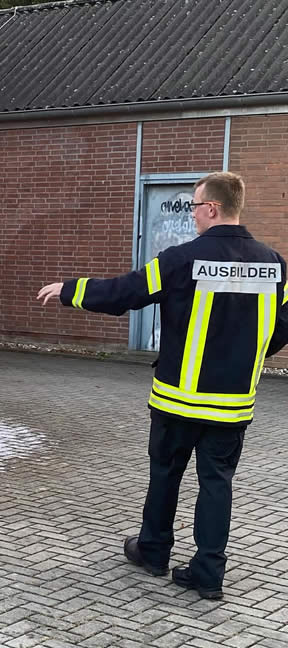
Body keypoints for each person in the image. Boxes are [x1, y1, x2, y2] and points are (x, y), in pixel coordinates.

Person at [37, 172, 288, 600]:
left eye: (194, 207)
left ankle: (153, 551)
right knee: (217, 484)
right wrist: (245, 355)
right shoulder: (274, 264)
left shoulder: (180, 260)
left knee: (165, 475)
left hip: (177, 400)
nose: (192, 215)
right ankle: (208, 573)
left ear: (211, 208)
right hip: (231, 406)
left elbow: (126, 292)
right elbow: (282, 327)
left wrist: (71, 291)